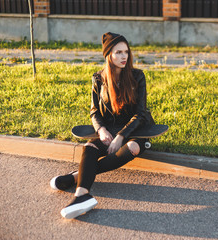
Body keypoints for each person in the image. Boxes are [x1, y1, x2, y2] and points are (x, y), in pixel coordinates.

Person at [50, 32, 154, 219]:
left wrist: (121, 136)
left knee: (132, 147)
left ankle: (75, 177)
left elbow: (140, 113)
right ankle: (82, 195)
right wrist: (102, 130)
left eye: (126, 52)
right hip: (110, 128)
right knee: (89, 148)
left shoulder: (138, 76)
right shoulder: (98, 78)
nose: (124, 56)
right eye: (118, 52)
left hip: (135, 129)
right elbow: (94, 111)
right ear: (108, 55)